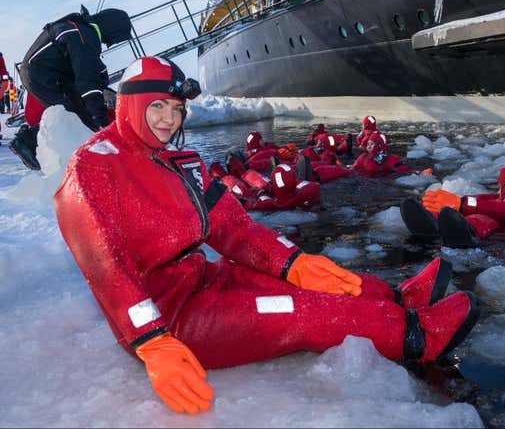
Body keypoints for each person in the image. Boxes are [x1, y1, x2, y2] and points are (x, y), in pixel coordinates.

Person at [53, 55, 479, 415]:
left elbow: (231, 226)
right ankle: (415, 335)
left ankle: (393, 299)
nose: (169, 119)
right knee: (298, 311)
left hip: (203, 278)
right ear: (131, 105)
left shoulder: (180, 160)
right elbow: (106, 267)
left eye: (176, 109)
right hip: (171, 318)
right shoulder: (93, 166)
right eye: (158, 107)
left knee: (309, 281)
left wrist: (294, 262)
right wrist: (152, 341)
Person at [9, 6, 132, 170]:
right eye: (115, 39)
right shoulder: (84, 36)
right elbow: (87, 84)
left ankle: (88, 155)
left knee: (77, 113)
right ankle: (28, 142)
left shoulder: (79, 29)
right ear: (112, 29)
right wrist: (101, 122)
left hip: (41, 71)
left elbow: (84, 68)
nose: (110, 44)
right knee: (74, 116)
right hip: (42, 74)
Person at [401, 165, 505, 248]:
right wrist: (450, 204)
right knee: (455, 213)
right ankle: (432, 221)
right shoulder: (504, 198)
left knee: (480, 217)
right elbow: (485, 200)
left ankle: (466, 233)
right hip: (500, 233)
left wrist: (462, 204)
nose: (499, 190)